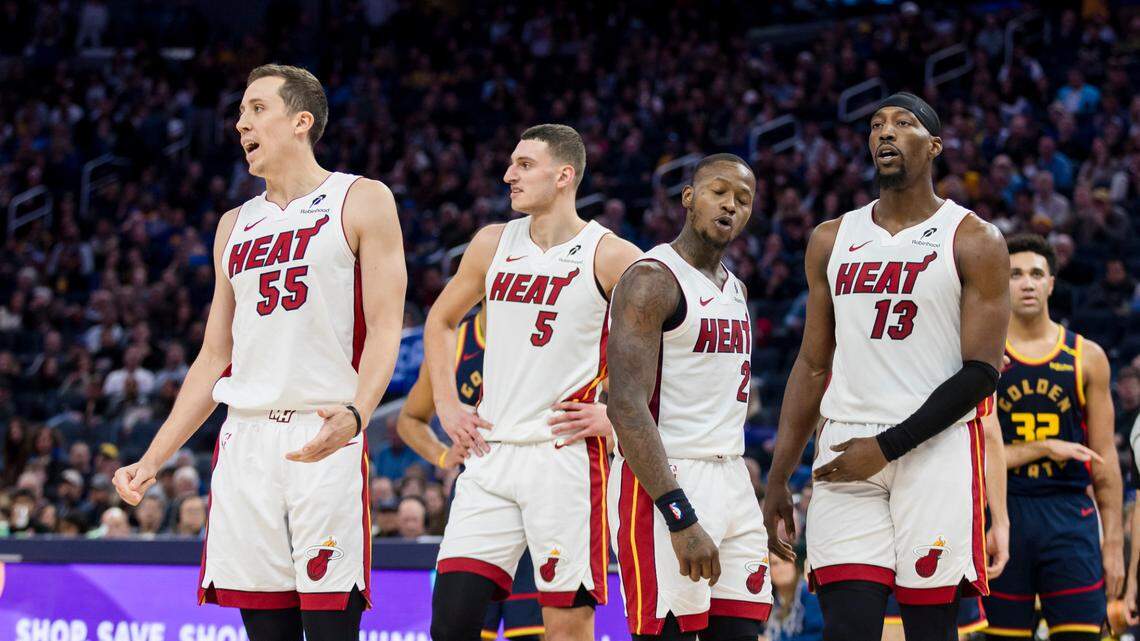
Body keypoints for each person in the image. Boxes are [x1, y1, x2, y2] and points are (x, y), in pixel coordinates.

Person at [111, 64, 406, 641]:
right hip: (245, 439)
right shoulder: (233, 225)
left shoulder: (362, 198)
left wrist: (355, 415)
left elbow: (388, 326)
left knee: (328, 629)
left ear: (301, 121)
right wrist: (152, 460)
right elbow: (212, 356)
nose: (239, 122)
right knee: (265, 632)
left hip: (322, 431)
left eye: (255, 108)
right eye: (241, 112)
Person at [763, 92, 1010, 641]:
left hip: (934, 448)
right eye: (876, 125)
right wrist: (780, 474)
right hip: (846, 445)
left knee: (929, 629)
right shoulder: (831, 238)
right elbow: (810, 364)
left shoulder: (974, 239)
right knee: (846, 629)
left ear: (936, 146)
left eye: (903, 123)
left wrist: (889, 445)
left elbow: (982, 373)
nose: (885, 132)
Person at [423, 124, 641, 641]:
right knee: (450, 623)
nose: (508, 175)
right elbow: (440, 321)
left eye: (524, 164)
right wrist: (448, 406)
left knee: (565, 628)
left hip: (563, 457)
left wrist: (617, 414)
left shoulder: (612, 256)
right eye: (511, 163)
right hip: (490, 454)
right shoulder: (491, 243)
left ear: (564, 175)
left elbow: (673, 347)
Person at [606, 153, 772, 640]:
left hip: (733, 477)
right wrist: (679, 514)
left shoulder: (735, 287)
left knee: (743, 630)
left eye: (743, 200)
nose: (730, 206)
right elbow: (626, 407)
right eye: (719, 192)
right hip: (667, 481)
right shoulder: (651, 279)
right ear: (688, 198)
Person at [398, 304, 613, 640]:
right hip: (482, 483)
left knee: (530, 632)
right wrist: (443, 455)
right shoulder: (457, 341)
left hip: (546, 479)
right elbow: (409, 419)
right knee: (457, 624)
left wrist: (610, 415)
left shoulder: (554, 331)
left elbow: (625, 384)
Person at [982, 234, 1122, 641]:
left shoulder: (1086, 356)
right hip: (1003, 513)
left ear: (1051, 284)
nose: (1026, 283)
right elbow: (970, 454)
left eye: (1036, 274)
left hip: (1069, 515)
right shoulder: (982, 356)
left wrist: (1113, 543)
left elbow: (1105, 458)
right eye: (1015, 274)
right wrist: (1043, 448)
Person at [882, 408, 1011, 640]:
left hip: (871, 481)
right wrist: (1001, 521)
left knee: (866, 617)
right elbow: (988, 432)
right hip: (940, 497)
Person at [766, 553, 823, 641]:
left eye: (786, 561)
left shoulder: (809, 594)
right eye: (774, 564)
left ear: (794, 565)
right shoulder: (770, 599)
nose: (781, 569)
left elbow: (819, 636)